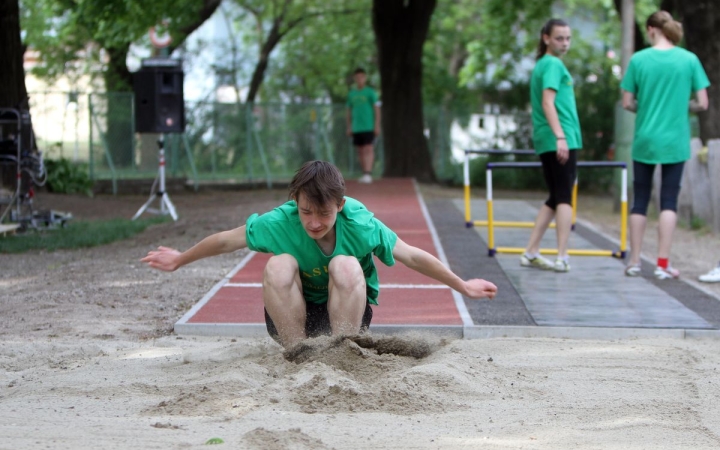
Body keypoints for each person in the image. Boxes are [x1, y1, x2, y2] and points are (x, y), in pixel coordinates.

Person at [141, 161, 497, 349]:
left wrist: (461, 285)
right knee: (279, 263)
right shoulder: (282, 220)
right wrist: (179, 259)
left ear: (340, 206)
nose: (313, 222)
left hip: (346, 317)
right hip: (291, 320)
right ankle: (298, 353)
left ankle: (343, 350)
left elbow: (412, 256)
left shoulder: (360, 222)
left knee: (344, 264)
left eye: (323, 214)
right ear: (296, 202)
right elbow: (224, 242)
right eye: (306, 211)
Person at [620, 11, 709, 280]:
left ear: (650, 30)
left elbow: (627, 102)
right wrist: (683, 107)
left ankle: (634, 262)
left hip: (645, 138)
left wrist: (645, 108)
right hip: (675, 140)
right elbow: (702, 103)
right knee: (668, 200)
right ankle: (662, 264)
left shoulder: (639, 59)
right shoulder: (689, 59)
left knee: (640, 201)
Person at [520, 18, 582, 273]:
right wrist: (560, 136)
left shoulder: (544, 64)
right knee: (565, 197)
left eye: (568, 38)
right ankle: (562, 256)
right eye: (559, 38)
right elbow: (548, 103)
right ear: (546, 38)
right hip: (558, 138)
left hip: (551, 138)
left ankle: (531, 251)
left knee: (555, 197)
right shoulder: (553, 64)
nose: (564, 43)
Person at [346, 68, 381, 184]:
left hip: (368, 126)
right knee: (360, 150)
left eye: (362, 77)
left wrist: (377, 125)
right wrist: (349, 126)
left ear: (365, 78)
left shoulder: (370, 92)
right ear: (355, 79)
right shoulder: (351, 94)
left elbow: (377, 109)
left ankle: (368, 173)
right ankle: (364, 172)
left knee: (368, 148)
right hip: (357, 127)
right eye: (357, 77)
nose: (359, 79)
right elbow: (348, 111)